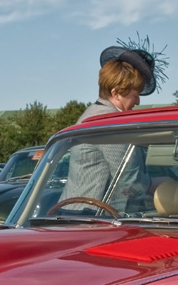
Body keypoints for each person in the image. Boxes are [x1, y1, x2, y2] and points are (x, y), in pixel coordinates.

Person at [64, 43, 163, 210]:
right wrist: (156, 183)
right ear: (116, 93)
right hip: (90, 215)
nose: (138, 102)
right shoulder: (107, 121)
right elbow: (128, 178)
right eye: (135, 95)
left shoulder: (94, 113)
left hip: (79, 210)